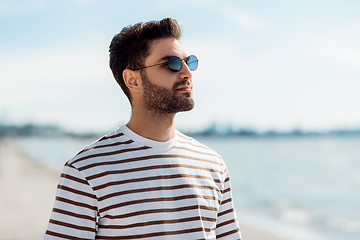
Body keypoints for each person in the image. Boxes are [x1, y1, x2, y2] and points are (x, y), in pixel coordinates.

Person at [44, 18, 241, 240]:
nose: (187, 72)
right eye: (171, 63)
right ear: (133, 80)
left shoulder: (212, 164)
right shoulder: (86, 171)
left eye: (189, 62)